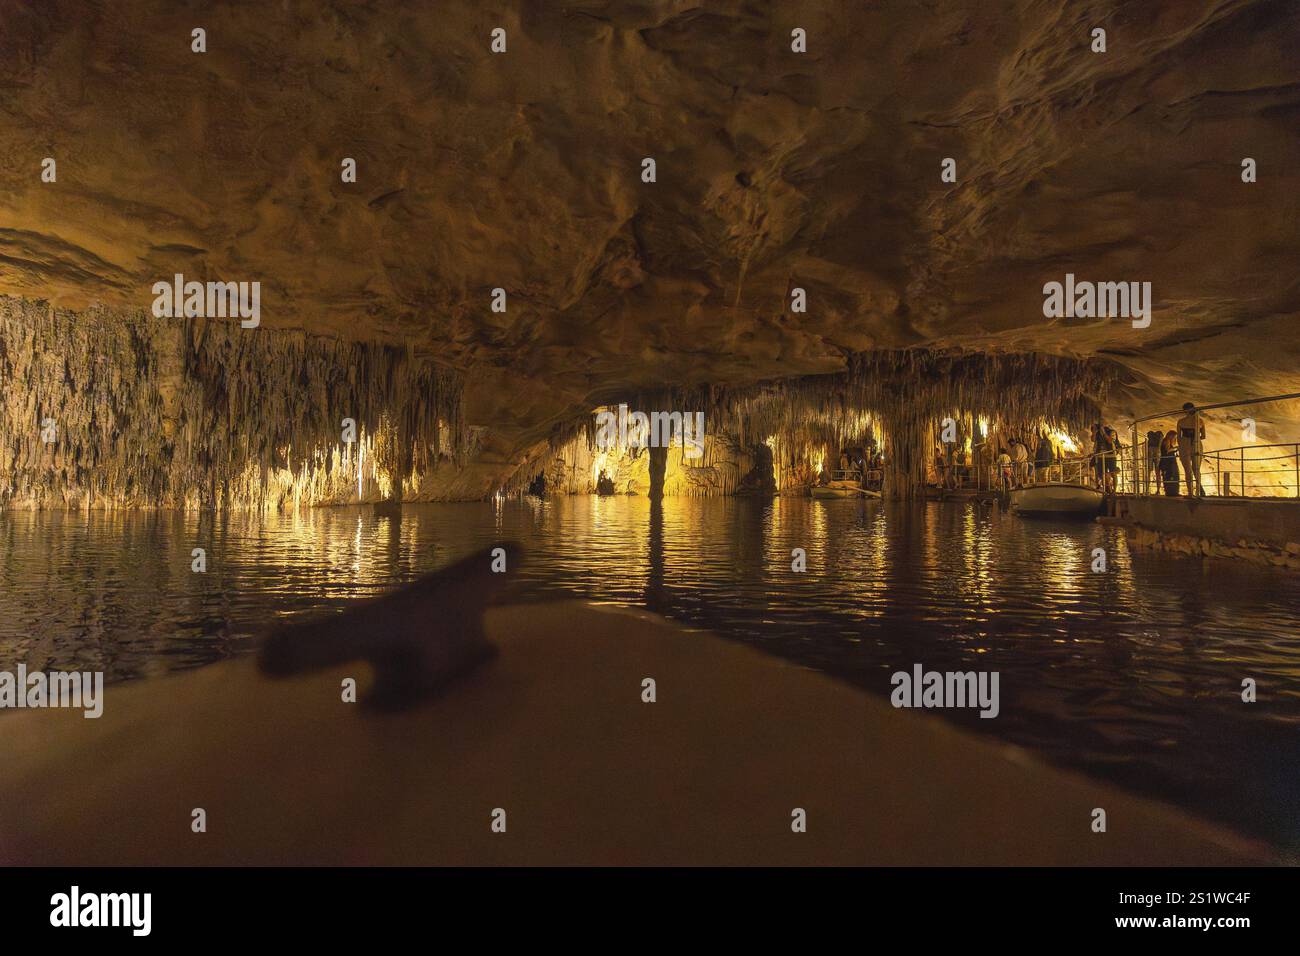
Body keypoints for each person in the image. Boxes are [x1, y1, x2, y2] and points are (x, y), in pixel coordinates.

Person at [1176, 402, 1205, 496]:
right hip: (1197, 443)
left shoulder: (1181, 421)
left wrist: (1181, 446)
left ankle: (1190, 492)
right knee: (1196, 469)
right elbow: (1203, 436)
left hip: (1184, 444)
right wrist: (1196, 437)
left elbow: (1179, 437)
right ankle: (1199, 490)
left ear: (1184, 411)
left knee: (1188, 470)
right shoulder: (1200, 421)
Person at [1159, 431, 1180, 496]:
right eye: (1174, 437)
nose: (1174, 439)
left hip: (1168, 462)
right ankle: (1172, 492)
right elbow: (1167, 450)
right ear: (1171, 436)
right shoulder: (1166, 441)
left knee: (1170, 476)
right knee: (1172, 476)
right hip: (1168, 463)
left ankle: (1171, 492)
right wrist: (1176, 448)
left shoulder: (1165, 441)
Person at [1144, 430, 1163, 494]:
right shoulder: (1160, 436)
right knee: (1157, 472)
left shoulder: (1150, 437)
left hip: (1150, 450)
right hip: (1157, 450)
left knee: (1149, 471)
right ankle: (1158, 490)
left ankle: (1147, 489)